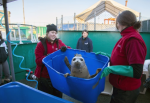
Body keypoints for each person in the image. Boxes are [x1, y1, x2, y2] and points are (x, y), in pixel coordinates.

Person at [96, 10, 147, 103]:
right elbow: (123, 58)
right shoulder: (126, 36)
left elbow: (136, 71)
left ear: (120, 23)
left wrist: (110, 69)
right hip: (120, 86)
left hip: (126, 90)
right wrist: (108, 56)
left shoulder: (133, 40)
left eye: (117, 23)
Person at [34, 24, 70, 98]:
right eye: (52, 32)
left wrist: (65, 48)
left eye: (55, 33)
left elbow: (68, 49)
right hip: (44, 77)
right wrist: (47, 57)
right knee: (46, 98)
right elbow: (38, 61)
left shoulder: (58, 42)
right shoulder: (41, 44)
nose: (54, 35)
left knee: (58, 97)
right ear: (47, 33)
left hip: (56, 75)